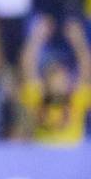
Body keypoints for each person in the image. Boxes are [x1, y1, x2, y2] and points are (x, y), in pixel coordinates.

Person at [18, 17, 91, 147]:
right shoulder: (38, 99)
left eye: (62, 79)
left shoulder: (77, 100)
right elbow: (27, 65)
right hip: (43, 158)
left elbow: (86, 67)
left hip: (71, 158)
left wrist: (78, 40)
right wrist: (37, 37)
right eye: (54, 78)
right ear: (46, 82)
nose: (58, 83)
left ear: (68, 82)